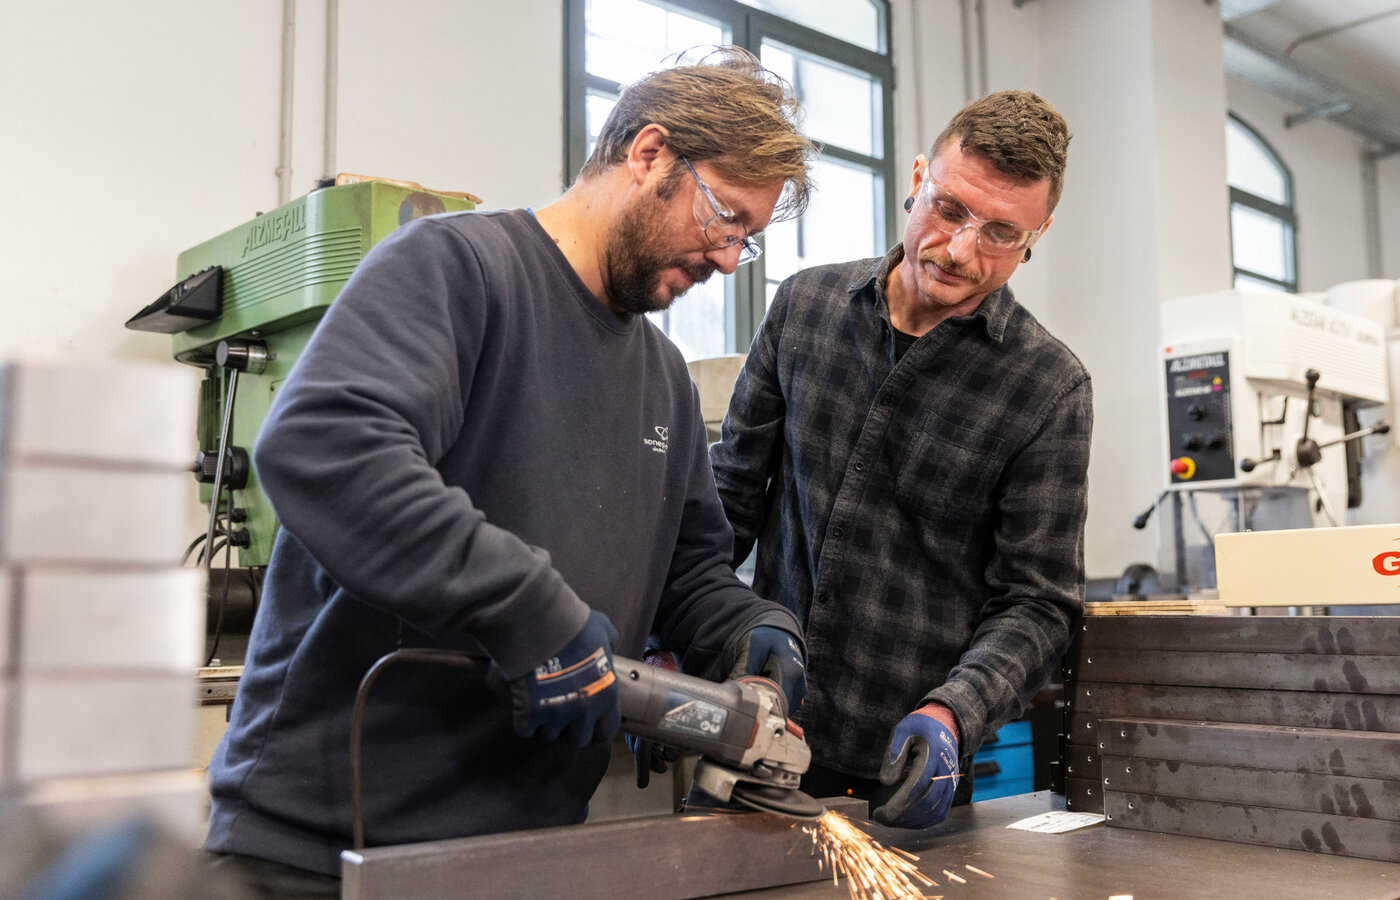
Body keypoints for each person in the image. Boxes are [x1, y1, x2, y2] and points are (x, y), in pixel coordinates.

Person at [203, 46, 818, 893]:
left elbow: (686, 571)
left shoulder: (664, 376)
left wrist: (748, 628)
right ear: (648, 156)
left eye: (744, 240)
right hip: (333, 847)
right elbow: (324, 443)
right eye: (725, 215)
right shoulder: (455, 269)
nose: (724, 256)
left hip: (523, 854)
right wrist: (534, 613)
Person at [709, 90, 1091, 830]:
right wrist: (668, 634)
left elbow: (1038, 601)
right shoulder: (805, 308)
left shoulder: (1048, 388)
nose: (959, 251)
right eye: (948, 210)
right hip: (752, 728)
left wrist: (957, 712)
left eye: (1000, 234)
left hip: (905, 765)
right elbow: (727, 501)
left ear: (1038, 231)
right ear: (918, 176)